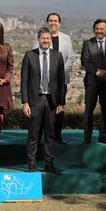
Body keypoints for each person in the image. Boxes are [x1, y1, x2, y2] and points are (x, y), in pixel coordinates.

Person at [21, 27, 65, 175]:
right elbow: (24, 82)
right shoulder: (29, 56)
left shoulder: (57, 56)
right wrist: (25, 102)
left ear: (50, 40)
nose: (45, 41)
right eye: (43, 38)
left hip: (52, 101)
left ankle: (49, 164)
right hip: (35, 100)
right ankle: (31, 164)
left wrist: (61, 103)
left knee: (51, 135)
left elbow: (61, 82)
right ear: (38, 39)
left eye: (48, 38)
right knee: (33, 134)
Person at [34, 13, 74, 144]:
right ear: (47, 22)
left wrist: (60, 72)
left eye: (55, 21)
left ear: (59, 23)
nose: (53, 23)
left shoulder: (66, 38)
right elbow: (35, 57)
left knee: (59, 108)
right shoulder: (40, 38)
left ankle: (57, 135)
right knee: (42, 109)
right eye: (50, 21)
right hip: (44, 82)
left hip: (61, 81)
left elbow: (70, 58)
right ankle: (41, 135)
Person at [81, 19, 106, 144]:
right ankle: (87, 137)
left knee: (105, 110)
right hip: (91, 82)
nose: (99, 31)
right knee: (89, 110)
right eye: (96, 28)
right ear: (94, 29)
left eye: (101, 29)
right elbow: (85, 61)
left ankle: (103, 136)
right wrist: (98, 72)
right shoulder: (87, 43)